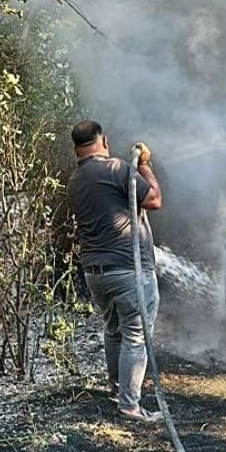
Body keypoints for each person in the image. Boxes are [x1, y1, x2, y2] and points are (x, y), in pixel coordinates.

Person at [67, 120, 164, 421]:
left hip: (96, 273)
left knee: (114, 331)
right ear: (104, 141)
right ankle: (129, 405)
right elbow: (155, 200)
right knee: (136, 335)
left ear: (76, 149)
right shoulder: (117, 169)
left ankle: (117, 390)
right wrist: (145, 165)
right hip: (128, 269)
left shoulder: (75, 180)